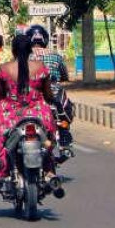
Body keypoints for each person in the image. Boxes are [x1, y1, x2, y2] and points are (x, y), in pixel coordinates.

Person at [0, 33, 57, 201]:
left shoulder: (4, 69)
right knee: (50, 138)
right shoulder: (41, 67)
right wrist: (54, 102)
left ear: (13, 50)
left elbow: (0, 95)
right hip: (39, 112)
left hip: (10, 114)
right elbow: (48, 94)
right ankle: (50, 172)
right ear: (31, 49)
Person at [27, 25, 74, 160]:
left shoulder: (25, 57)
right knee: (64, 113)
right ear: (45, 39)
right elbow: (65, 75)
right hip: (54, 97)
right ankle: (65, 144)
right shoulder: (56, 56)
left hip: (31, 97)